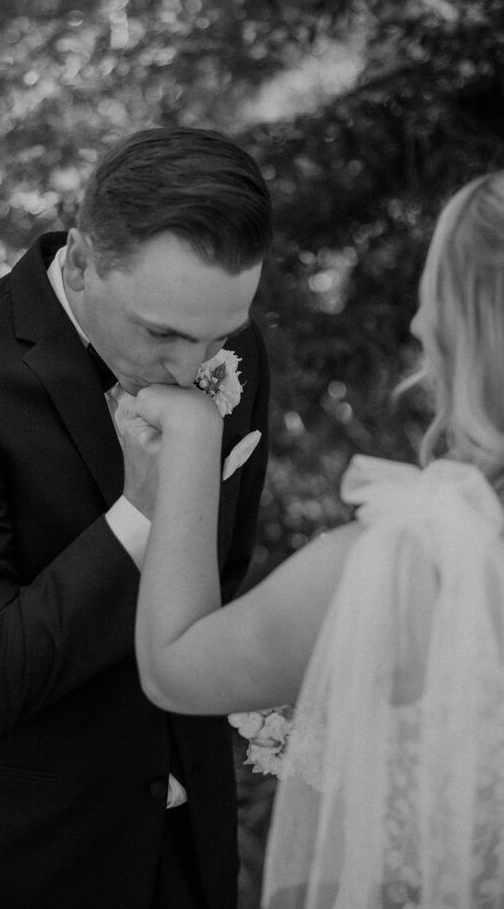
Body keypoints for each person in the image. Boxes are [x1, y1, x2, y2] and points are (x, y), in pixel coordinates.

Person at [0, 126, 273, 909]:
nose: (193, 369)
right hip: (28, 866)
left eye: (216, 337)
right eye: (161, 333)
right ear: (85, 257)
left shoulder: (232, 352)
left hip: (191, 856)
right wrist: (140, 512)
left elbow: (221, 583)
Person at [133, 172, 504, 909]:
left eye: (433, 291)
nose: (417, 322)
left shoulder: (421, 559)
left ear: (464, 324)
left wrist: (189, 443)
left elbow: (175, 667)